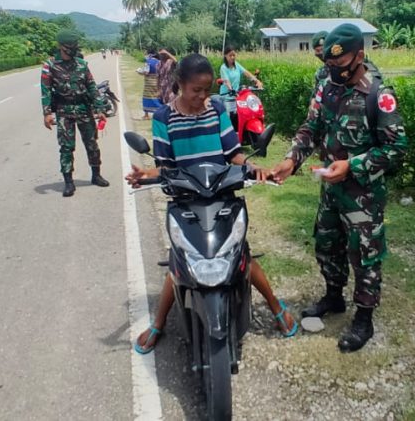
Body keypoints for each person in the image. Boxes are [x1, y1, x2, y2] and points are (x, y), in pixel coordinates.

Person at [126, 54, 298, 354]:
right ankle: (158, 323)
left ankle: (276, 307)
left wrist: (252, 167)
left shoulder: (216, 108)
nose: (203, 97)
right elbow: (165, 165)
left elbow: (233, 153)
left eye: (207, 90)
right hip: (185, 200)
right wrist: (147, 174)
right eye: (196, 90)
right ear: (180, 84)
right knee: (179, 261)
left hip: (222, 195)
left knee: (240, 253)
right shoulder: (164, 118)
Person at [270, 24, 408, 353]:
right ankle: (334, 296)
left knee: (365, 254)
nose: (333, 71)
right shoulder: (328, 87)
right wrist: (291, 160)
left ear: (359, 56)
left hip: (363, 194)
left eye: (340, 64)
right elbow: (311, 127)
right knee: (327, 243)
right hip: (330, 189)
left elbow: (396, 148)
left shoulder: (378, 94)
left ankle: (363, 318)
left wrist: (353, 165)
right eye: (328, 65)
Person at [41, 30, 110, 196]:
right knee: (66, 148)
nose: (72, 50)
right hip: (64, 112)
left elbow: (92, 87)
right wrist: (47, 113)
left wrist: (99, 108)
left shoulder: (82, 64)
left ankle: (96, 175)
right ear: (60, 46)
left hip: (83, 109)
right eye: (68, 47)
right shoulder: (49, 66)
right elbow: (46, 91)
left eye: (74, 47)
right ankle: (69, 182)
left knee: (92, 144)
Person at [217, 46, 262, 114]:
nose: (232, 57)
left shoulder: (237, 65)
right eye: (230, 55)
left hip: (237, 97)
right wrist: (231, 90)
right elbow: (226, 81)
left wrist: (256, 81)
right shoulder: (223, 68)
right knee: (229, 120)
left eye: (234, 55)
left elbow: (246, 73)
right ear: (225, 55)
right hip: (227, 98)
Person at [138, 49, 161, 120]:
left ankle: (146, 115)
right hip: (157, 82)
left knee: (146, 97)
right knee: (156, 97)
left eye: (146, 53)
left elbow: (146, 72)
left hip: (149, 83)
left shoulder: (148, 62)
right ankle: (159, 113)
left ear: (150, 54)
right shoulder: (159, 62)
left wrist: (139, 71)